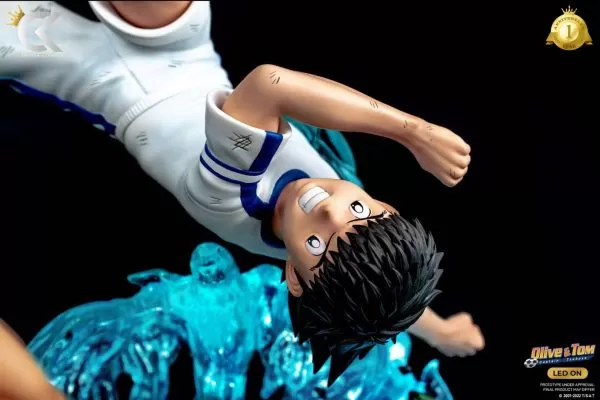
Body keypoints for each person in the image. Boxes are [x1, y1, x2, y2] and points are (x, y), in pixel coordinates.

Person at [0, 1, 484, 398]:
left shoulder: (232, 193)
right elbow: (387, 290)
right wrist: (439, 331)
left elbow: (269, 85)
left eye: (317, 243)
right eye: (359, 211)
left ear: (294, 278)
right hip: (187, 51)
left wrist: (413, 132)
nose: (327, 207)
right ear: (388, 208)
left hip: (99, 78)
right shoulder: (336, 246)